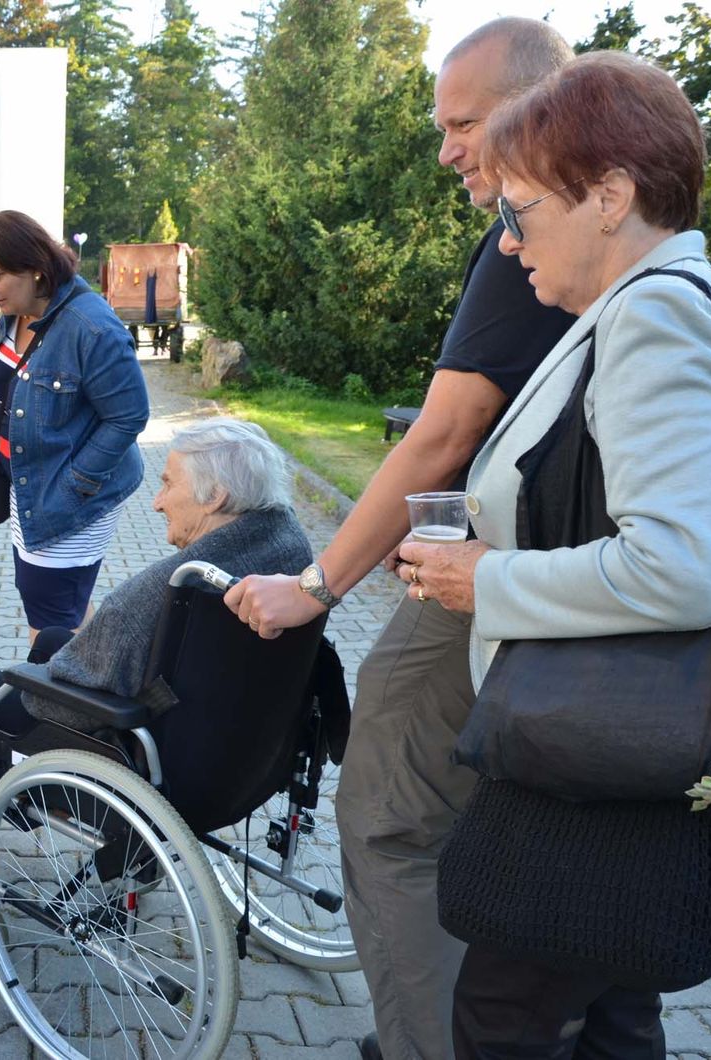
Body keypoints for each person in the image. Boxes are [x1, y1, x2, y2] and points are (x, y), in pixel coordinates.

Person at [396, 51, 711, 1057]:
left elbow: (682, 565)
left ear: (609, 197)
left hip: (602, 755)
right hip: (644, 742)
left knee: (504, 1019)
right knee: (611, 1007)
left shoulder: (655, 313)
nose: (505, 242)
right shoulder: (694, 302)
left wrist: (487, 578)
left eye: (517, 211)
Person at [220, 19, 574, 1059]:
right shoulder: (604, 237)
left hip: (493, 575)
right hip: (548, 578)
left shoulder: (529, 237)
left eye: (462, 123)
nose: (445, 149)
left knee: (384, 817)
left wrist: (316, 585)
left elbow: (443, 432)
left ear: (531, 109)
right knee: (536, 848)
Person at [0, 418, 310, 878]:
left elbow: (58, 707)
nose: (158, 502)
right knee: (57, 640)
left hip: (140, 767)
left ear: (216, 495)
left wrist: (42, 676)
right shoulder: (287, 555)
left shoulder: (159, 597)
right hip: (241, 758)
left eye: (166, 484)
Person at [0, 210, 150, 643]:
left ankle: (55, 704)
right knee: (63, 607)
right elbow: (23, 377)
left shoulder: (92, 328)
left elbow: (128, 415)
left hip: (67, 497)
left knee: (48, 624)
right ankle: (91, 682)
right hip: (30, 486)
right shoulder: (16, 311)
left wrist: (76, 482)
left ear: (35, 269)